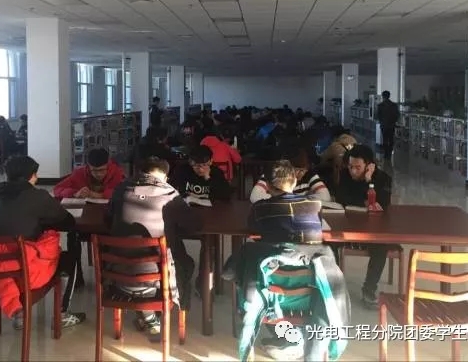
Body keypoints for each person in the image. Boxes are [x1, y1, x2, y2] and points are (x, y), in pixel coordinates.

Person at [227, 160, 349, 361]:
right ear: (294, 182)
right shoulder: (314, 206)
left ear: (268, 186)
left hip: (270, 290)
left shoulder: (260, 208)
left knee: (249, 257)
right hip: (311, 289)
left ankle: (287, 337)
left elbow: (253, 228)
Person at [0, 156, 86, 329]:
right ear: (29, 176)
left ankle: (17, 311)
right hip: (24, 271)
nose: (37, 178)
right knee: (69, 258)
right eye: (35, 174)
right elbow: (68, 222)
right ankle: (62, 314)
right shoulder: (38, 196)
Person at [107, 157, 202, 342]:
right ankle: (153, 314)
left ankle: (147, 315)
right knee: (187, 263)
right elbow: (194, 225)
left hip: (118, 276)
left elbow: (108, 220)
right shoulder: (169, 194)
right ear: (165, 176)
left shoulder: (120, 190)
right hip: (157, 281)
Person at [335, 144, 392, 308]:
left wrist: (369, 181)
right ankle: (335, 287)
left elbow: (383, 204)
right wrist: (365, 201)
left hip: (373, 229)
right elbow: (341, 198)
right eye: (350, 166)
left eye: (358, 167)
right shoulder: (345, 174)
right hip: (347, 226)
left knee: (381, 247)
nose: (353, 171)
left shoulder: (383, 178)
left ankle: (369, 290)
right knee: (329, 243)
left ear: (369, 166)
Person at [169, 145, 232, 294]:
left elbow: (226, 196)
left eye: (203, 165)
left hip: (209, 216)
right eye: (195, 165)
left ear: (210, 162)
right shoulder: (183, 171)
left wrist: (208, 178)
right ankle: (183, 271)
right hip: (186, 214)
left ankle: (203, 282)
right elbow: (171, 189)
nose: (199, 169)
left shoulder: (216, 173)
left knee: (210, 245)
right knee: (170, 237)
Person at [250, 150, 331, 203]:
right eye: (296, 170)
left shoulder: (309, 174)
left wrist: (293, 199)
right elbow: (254, 196)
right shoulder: (273, 174)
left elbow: (325, 197)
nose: (300, 174)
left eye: (303, 170)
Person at [53, 148, 125, 200]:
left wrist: (100, 195)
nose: (98, 174)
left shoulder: (116, 172)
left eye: (102, 170)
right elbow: (57, 189)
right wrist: (75, 193)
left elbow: (123, 193)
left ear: (108, 165)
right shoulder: (79, 173)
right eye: (94, 170)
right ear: (88, 166)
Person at [376, 91, 400, 160]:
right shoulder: (394, 105)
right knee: (391, 139)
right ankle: (390, 152)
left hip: (384, 125)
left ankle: (386, 153)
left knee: (385, 139)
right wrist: (393, 121)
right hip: (391, 125)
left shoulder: (380, 105)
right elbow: (397, 115)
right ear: (389, 96)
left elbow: (378, 116)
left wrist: (382, 121)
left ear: (383, 96)